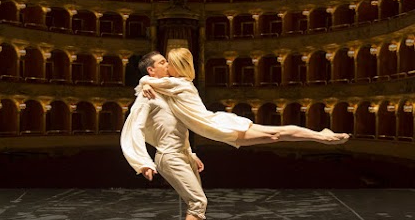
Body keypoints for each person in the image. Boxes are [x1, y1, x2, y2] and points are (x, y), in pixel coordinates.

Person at [120, 51, 218, 220]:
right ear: (152, 70)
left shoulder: (166, 90)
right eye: (163, 62)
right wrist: (141, 161)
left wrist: (191, 152)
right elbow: (134, 127)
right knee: (198, 202)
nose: (168, 64)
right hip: (169, 156)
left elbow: (174, 127)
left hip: (182, 154)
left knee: (198, 204)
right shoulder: (147, 96)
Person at [138, 48, 350, 148]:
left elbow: (145, 81)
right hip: (218, 123)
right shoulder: (180, 83)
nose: (165, 65)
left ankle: (322, 137)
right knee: (276, 134)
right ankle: (321, 136)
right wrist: (146, 82)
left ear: (176, 66)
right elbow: (147, 82)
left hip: (219, 127)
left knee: (275, 135)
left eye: (168, 62)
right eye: (163, 63)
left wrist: (145, 82)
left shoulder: (176, 83)